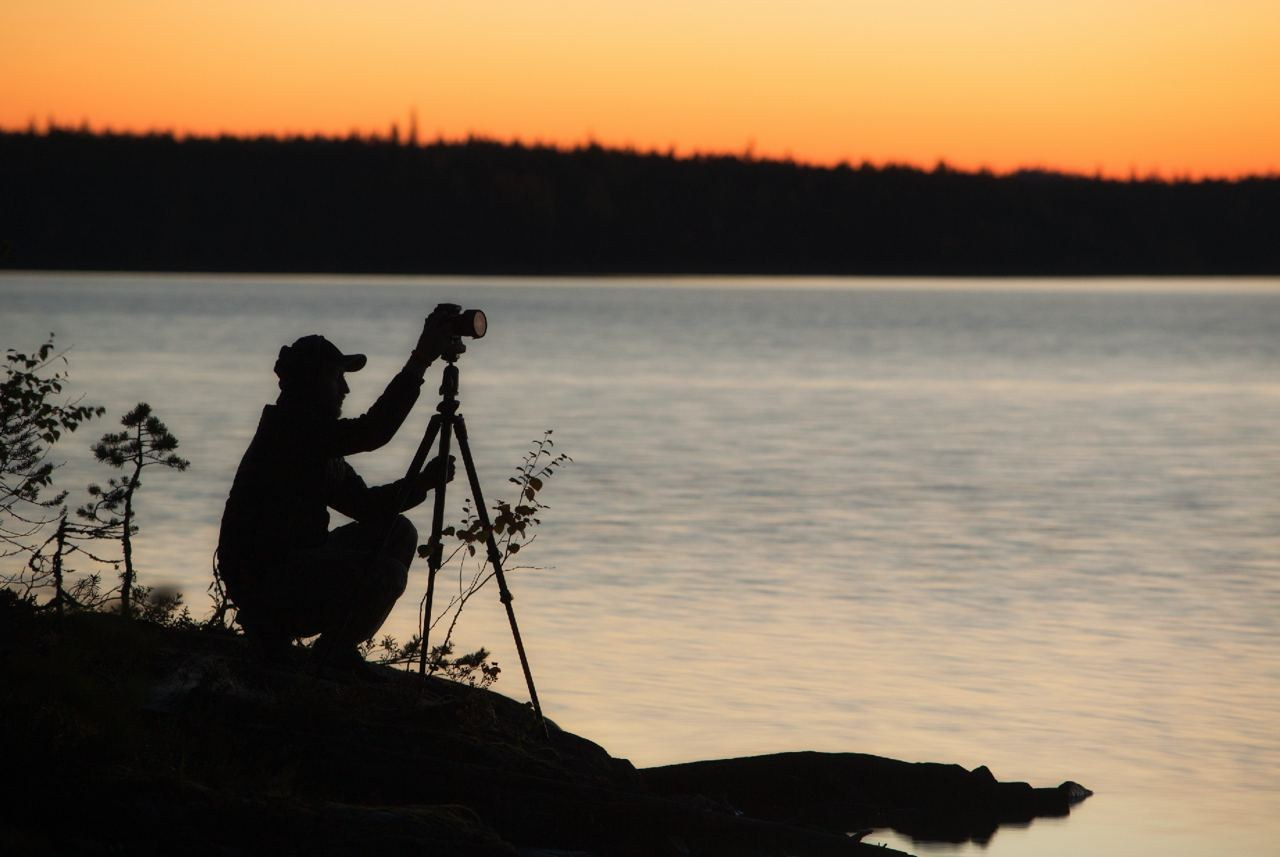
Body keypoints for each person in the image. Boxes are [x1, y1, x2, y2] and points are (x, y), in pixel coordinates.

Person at [217, 313, 455, 668]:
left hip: (296, 560)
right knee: (387, 574)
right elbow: (374, 431)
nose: (345, 389)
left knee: (398, 532)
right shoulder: (291, 432)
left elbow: (367, 506)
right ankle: (313, 650)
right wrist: (419, 361)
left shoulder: (315, 439)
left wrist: (420, 484)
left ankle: (335, 648)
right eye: (337, 378)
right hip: (266, 579)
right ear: (310, 383)